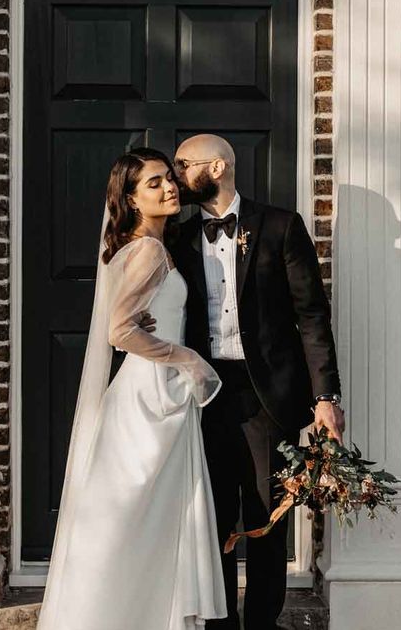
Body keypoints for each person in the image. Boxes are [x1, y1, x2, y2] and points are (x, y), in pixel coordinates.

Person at [142, 135, 345, 630]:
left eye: (183, 166)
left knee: (266, 518)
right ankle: (217, 621)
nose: (175, 175)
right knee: (207, 515)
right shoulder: (178, 237)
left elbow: (311, 315)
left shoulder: (280, 226)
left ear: (218, 166)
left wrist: (325, 397)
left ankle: (262, 623)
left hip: (265, 397)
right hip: (200, 392)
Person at [37, 152, 227, 630]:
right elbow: (120, 332)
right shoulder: (147, 251)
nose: (169, 189)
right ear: (130, 198)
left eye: (169, 179)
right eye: (154, 184)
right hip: (150, 401)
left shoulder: (141, 246)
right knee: (133, 524)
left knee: (139, 527)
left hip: (152, 394)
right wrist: (189, 359)